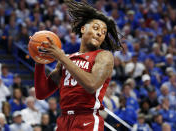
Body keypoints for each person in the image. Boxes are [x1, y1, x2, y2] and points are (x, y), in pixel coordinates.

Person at [34, 0, 121, 130]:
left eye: (103, 32)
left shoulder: (103, 56)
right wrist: (40, 61)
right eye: (96, 28)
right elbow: (41, 93)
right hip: (64, 120)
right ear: (83, 29)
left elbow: (91, 85)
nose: (99, 33)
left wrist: (62, 57)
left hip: (87, 119)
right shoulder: (67, 59)